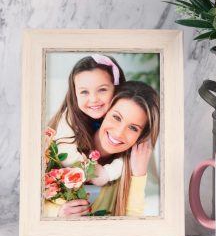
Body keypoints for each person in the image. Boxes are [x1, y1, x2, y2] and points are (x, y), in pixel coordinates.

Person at [45, 81, 160, 217]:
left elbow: (131, 225)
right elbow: (25, 205)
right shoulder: (57, 147)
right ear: (104, 112)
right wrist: (56, 213)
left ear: (141, 137)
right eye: (116, 117)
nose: (119, 133)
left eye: (133, 128)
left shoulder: (124, 172)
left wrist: (139, 175)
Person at [48, 54, 126, 186]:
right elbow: (67, 156)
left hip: (108, 184)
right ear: (75, 94)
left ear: (117, 89)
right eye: (84, 92)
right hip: (70, 184)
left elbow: (130, 157)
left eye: (102, 90)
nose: (93, 99)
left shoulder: (125, 116)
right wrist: (96, 173)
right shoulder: (69, 118)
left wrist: (109, 173)